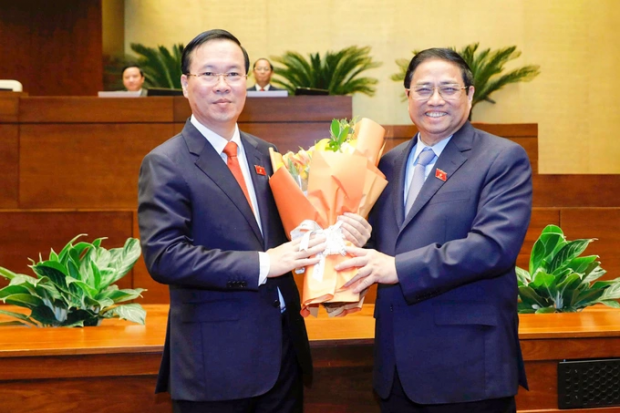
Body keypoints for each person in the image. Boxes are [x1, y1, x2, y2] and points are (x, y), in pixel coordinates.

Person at [138, 29, 370, 413]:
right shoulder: (165, 163)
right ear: (185, 83)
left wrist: (339, 235)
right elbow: (165, 257)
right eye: (208, 74)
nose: (222, 86)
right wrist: (265, 263)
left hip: (283, 355)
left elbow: (296, 234)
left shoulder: (266, 153)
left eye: (233, 74)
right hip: (215, 364)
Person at [337, 48, 532, 413]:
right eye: (423, 89)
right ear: (408, 96)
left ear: (470, 94)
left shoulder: (501, 158)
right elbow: (385, 248)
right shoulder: (387, 164)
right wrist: (358, 241)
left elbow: (493, 248)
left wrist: (397, 268)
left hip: (468, 369)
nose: (435, 100)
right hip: (395, 370)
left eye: (449, 89)